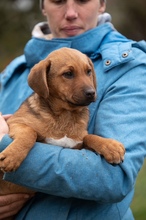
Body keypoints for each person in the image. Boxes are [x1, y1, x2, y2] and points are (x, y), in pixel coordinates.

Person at [0, 0, 146, 219]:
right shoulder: (15, 70)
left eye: (83, 0)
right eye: (58, 1)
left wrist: (6, 143)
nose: (70, 13)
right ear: (43, 6)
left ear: (102, 4)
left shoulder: (129, 67)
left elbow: (115, 179)